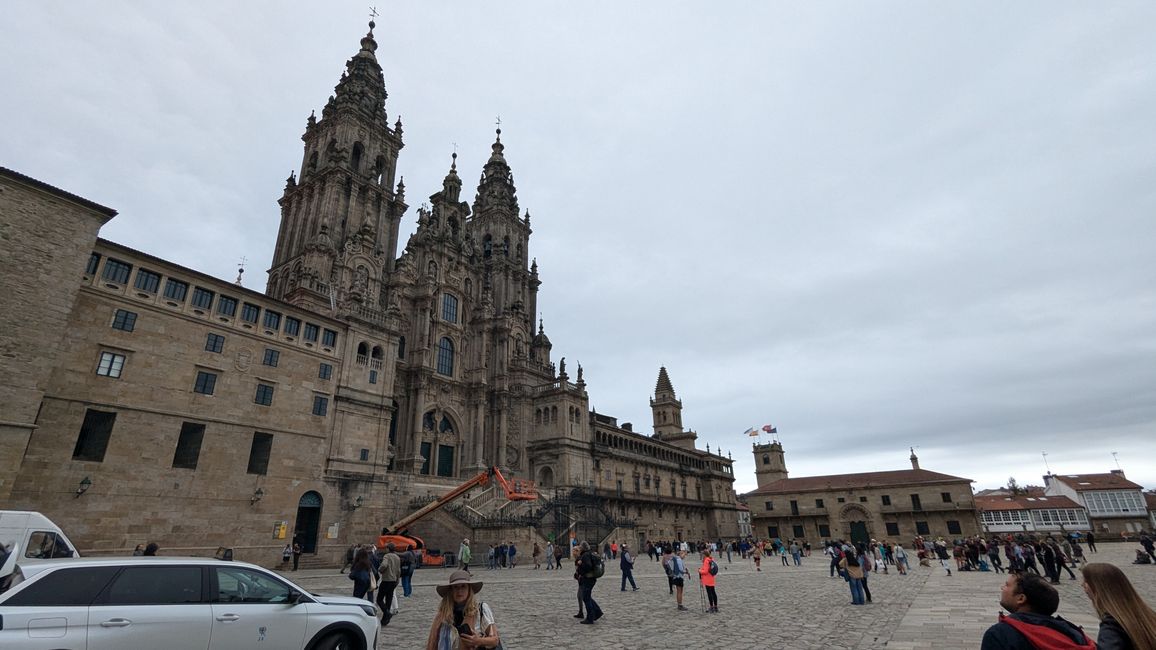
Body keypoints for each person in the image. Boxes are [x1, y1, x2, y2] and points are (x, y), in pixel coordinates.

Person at [980, 573, 1094, 649]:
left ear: (1021, 598)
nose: (1002, 588)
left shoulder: (999, 634)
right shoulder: (1074, 634)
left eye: (1007, 585)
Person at [1081, 562, 1156, 650]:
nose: (1082, 585)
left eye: (1085, 582)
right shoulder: (1146, 613)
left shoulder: (1111, 626)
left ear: (1098, 587)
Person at [425, 570, 501, 650]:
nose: (459, 591)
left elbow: (495, 640)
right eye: (456, 587)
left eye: (463, 586)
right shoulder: (442, 616)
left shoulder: (480, 610)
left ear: (469, 589)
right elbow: (434, 643)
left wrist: (478, 641)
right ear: (451, 591)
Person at [575, 541, 603, 624]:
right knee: (587, 597)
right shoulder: (590, 553)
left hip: (588, 579)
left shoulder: (585, 555)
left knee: (586, 598)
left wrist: (580, 565)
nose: (579, 548)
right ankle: (598, 612)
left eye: (580, 547)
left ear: (583, 548)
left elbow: (588, 566)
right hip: (591, 578)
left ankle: (590, 618)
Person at [377, 543, 401, 626]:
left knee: (379, 599)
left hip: (386, 580)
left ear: (388, 548)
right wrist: (397, 580)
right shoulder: (397, 557)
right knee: (388, 600)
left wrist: (380, 570)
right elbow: (398, 570)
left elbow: (384, 565)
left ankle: (387, 613)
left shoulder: (387, 556)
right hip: (393, 581)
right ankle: (384, 620)